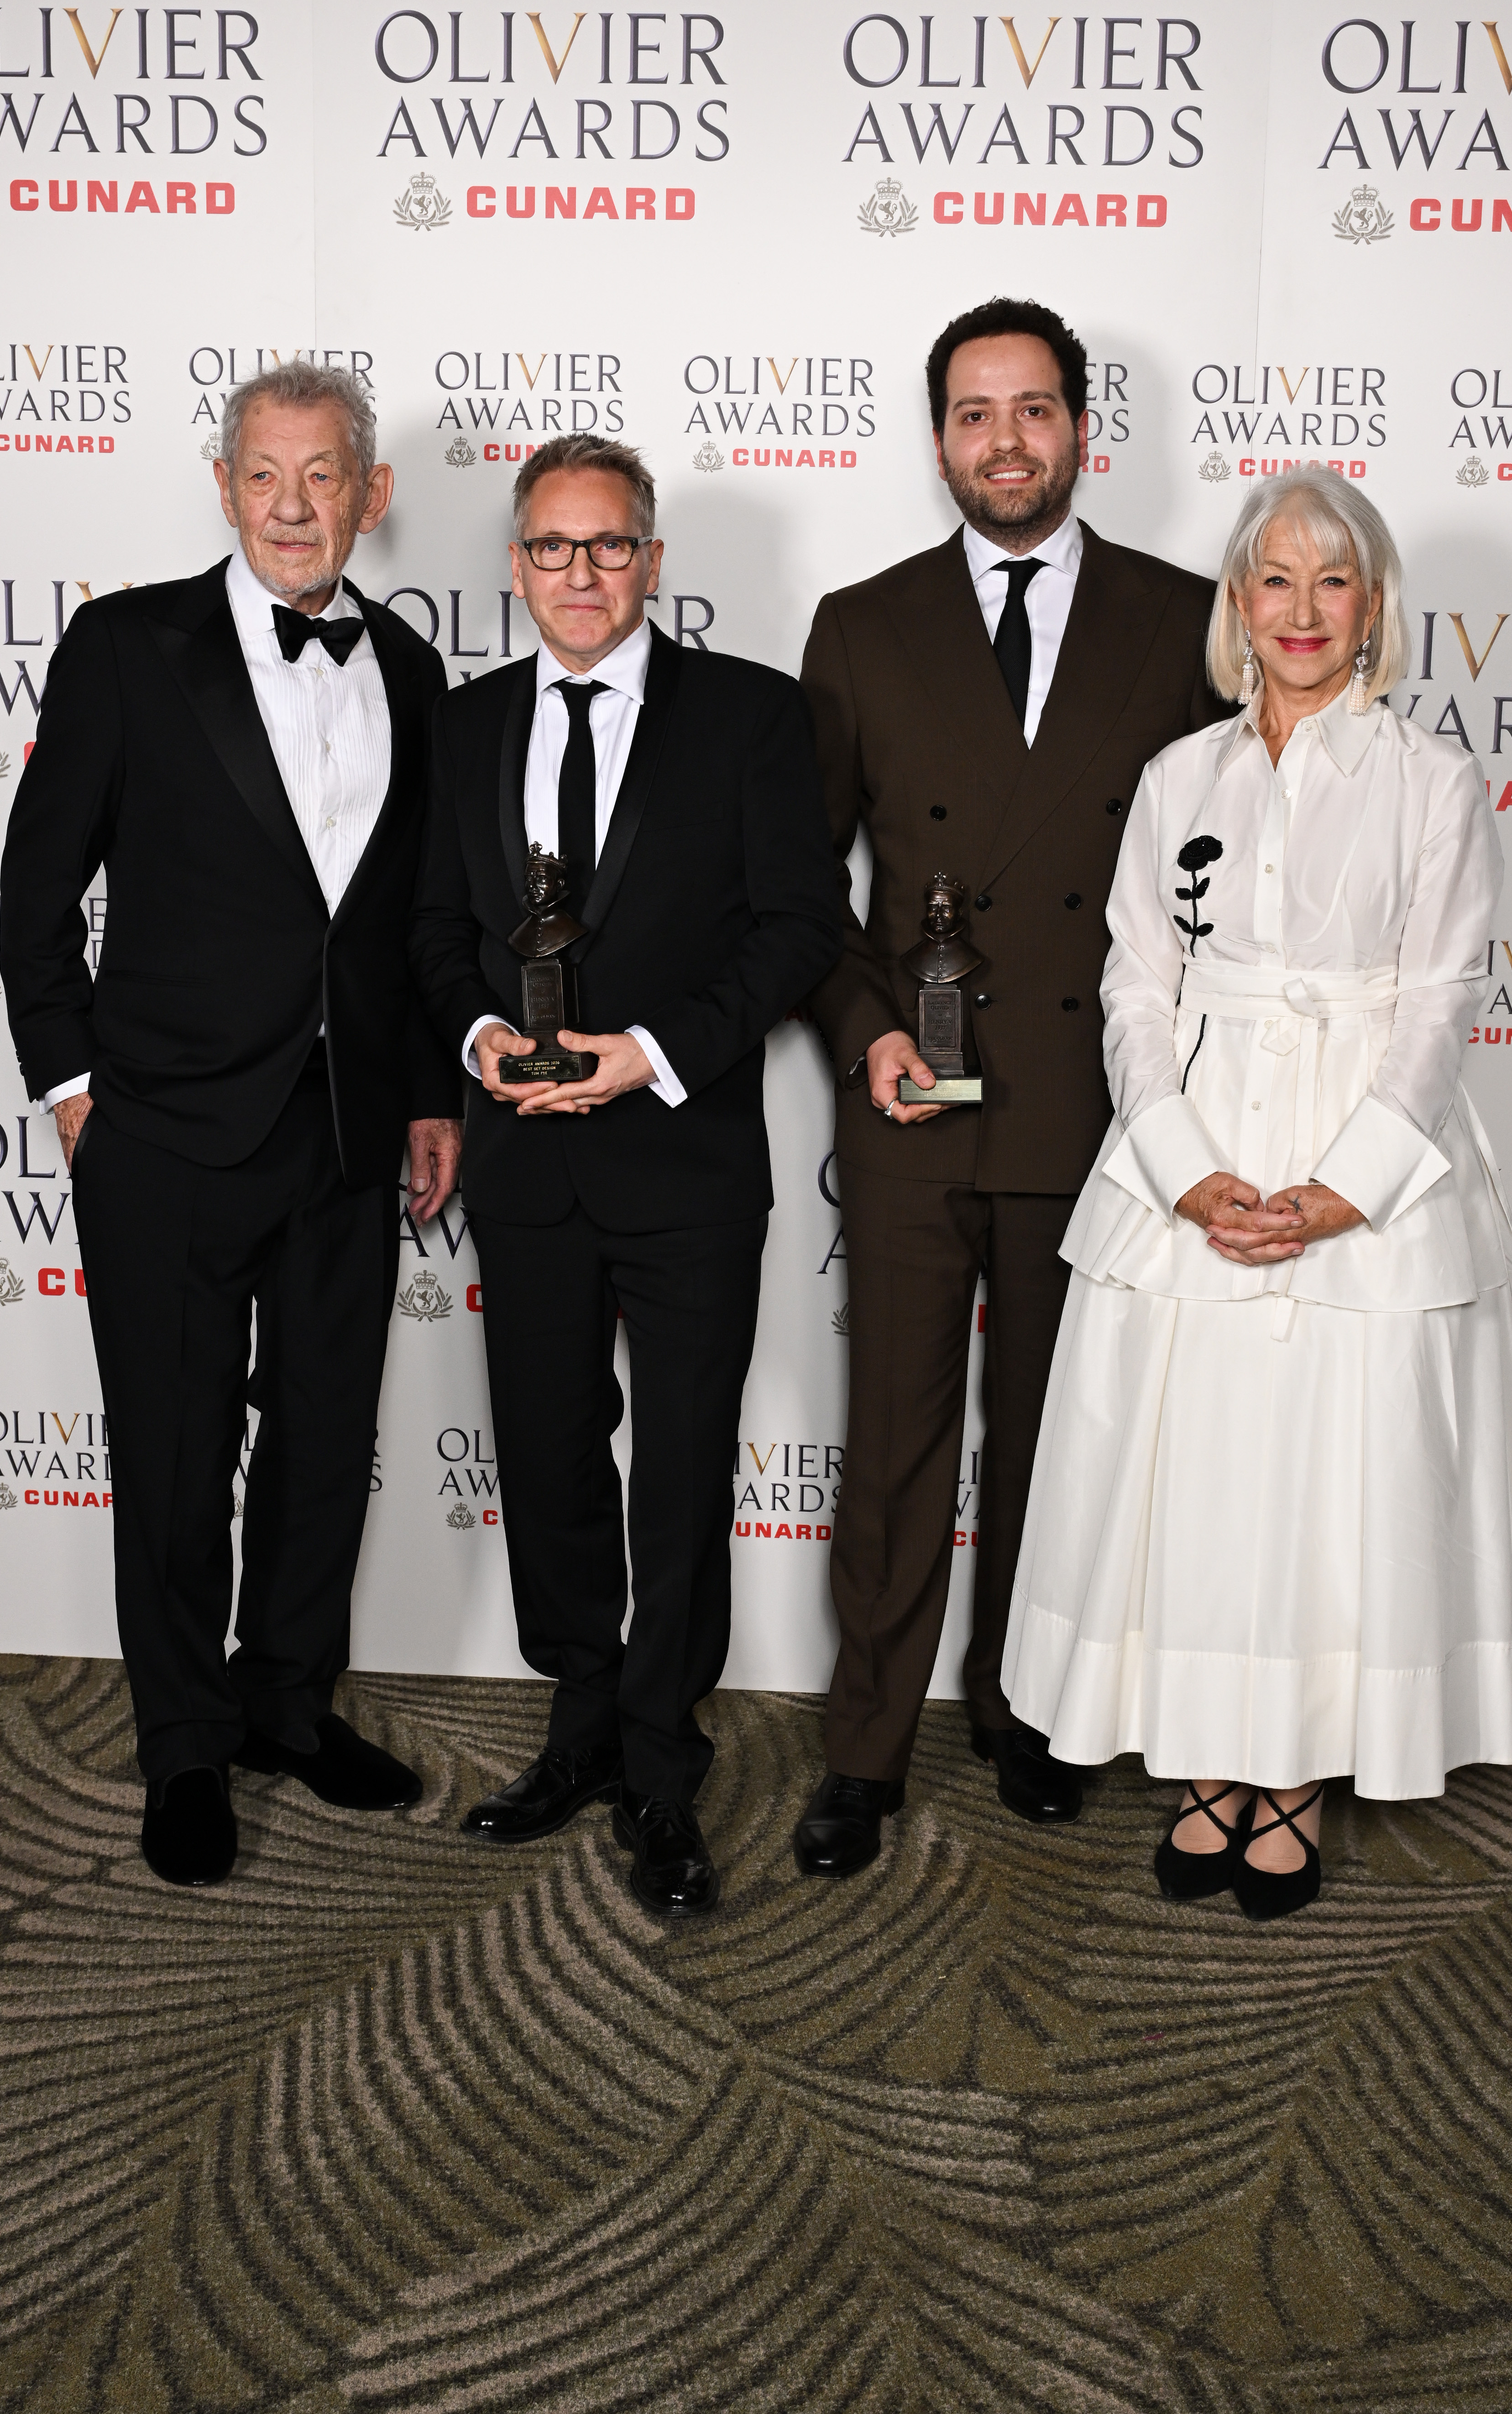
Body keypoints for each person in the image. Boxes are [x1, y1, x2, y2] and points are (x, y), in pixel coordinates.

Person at [1002, 466, 1512, 1920]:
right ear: (1237, 605)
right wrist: (1186, 1175)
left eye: (1332, 581)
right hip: (1193, 1160)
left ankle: (1299, 1773)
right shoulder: (1177, 777)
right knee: (1200, 1476)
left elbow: (1440, 1007)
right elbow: (1133, 989)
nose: (1302, 610)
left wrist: (1343, 1190)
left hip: (1361, 1167)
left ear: (1369, 605)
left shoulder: (1432, 781)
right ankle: (1206, 1763)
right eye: (1275, 579)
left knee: (1332, 1481)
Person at [0, 362, 463, 1889]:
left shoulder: (408, 667)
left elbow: (406, 927)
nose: (290, 506)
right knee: (179, 1454)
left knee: (326, 1447)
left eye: (321, 476)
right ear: (223, 486)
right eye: (262, 475)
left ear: (370, 494)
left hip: (342, 1138)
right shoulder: (129, 644)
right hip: (165, 1137)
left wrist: (420, 1098)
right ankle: (183, 1747)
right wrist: (73, 1094)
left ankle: (287, 1706)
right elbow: (36, 888)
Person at [793, 296, 1232, 1879]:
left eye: (1033, 410)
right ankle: (863, 1747)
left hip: (1096, 1107)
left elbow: (1227, 888)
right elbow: (799, 888)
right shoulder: (862, 623)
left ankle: (1030, 1714)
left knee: (1059, 1439)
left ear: (1079, 430)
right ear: (936, 442)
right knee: (894, 1446)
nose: (1005, 442)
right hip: (912, 1108)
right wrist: (868, 1036)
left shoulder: (1187, 619)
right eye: (974, 414)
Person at [410, 432, 842, 1919]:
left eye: (607, 549)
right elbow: (427, 933)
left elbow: (795, 932)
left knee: (677, 1480)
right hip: (524, 1171)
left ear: (652, 564)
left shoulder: (751, 718)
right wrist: (478, 1037)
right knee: (544, 1463)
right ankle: (580, 1724)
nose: (578, 575)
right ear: (515, 564)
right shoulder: (461, 731)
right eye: (550, 548)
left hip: (686, 1164)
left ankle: (664, 1760)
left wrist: (649, 1051)